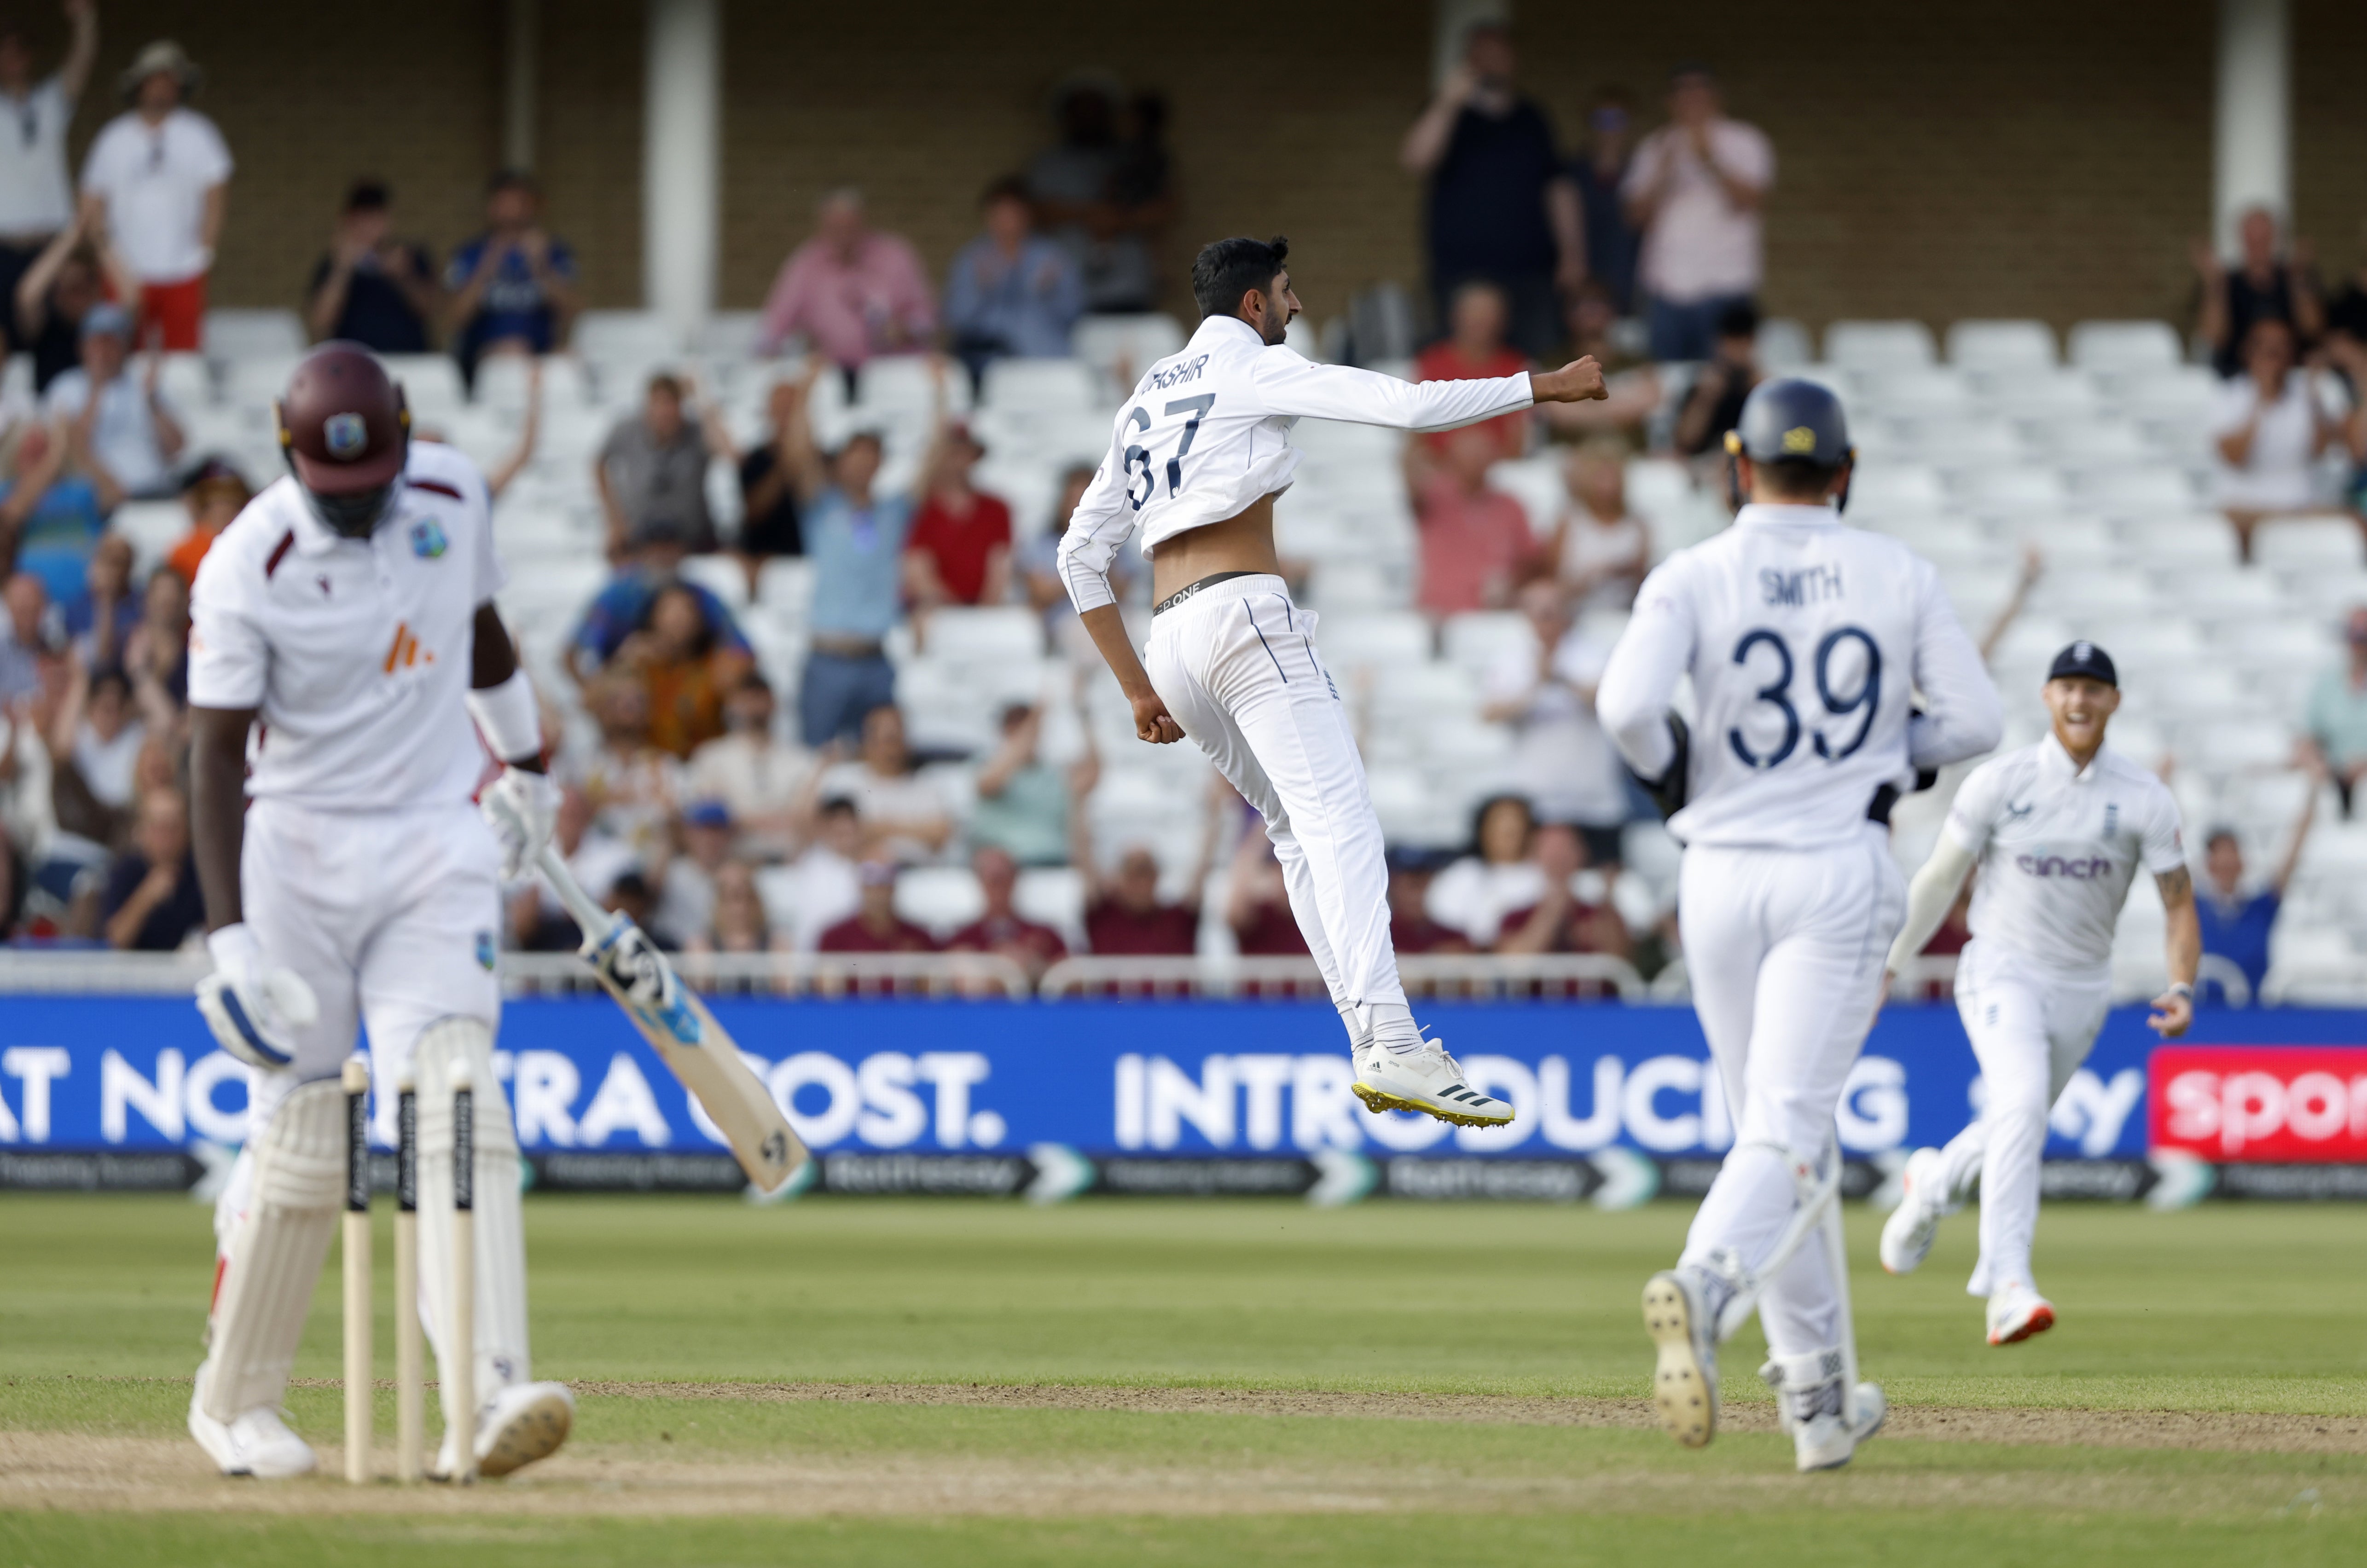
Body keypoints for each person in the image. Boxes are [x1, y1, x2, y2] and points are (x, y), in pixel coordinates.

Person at [1056, 232, 1607, 1124]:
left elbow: (1079, 556)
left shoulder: (1143, 399)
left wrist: (1136, 688)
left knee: (1292, 833)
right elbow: (1404, 405)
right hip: (1244, 615)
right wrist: (1540, 385)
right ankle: (1392, 1038)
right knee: (1341, 823)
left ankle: (1371, 1038)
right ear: (1252, 307)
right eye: (1286, 291)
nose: (1297, 305)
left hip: (1170, 640)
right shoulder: (1252, 368)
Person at [181, 343, 573, 1479]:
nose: (357, 513)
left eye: (373, 486)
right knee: (305, 1130)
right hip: (295, 851)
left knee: (457, 1089)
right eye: (332, 493)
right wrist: (231, 940)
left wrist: (528, 765)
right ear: (289, 456)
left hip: (433, 841)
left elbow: (483, 631)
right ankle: (236, 1401)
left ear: (404, 434)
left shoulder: (453, 492)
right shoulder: (244, 562)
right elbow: (211, 751)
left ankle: (487, 1392)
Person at [1596, 377, 2002, 1471]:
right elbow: (1973, 719)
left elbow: (1623, 708)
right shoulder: (1893, 570)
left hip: (1716, 871)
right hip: (1832, 864)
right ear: (1844, 469)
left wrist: (1677, 771)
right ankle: (1704, 1280)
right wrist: (1884, 752)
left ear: (1738, 466)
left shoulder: (1692, 571)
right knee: (1784, 1129)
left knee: (1779, 1135)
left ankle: (1818, 1405)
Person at [1880, 642, 2196, 1347]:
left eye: (2093, 688)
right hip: (2000, 968)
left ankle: (1929, 1187)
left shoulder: (2142, 795)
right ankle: (2007, 1286)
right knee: (2021, 1106)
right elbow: (1937, 878)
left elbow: (2178, 903)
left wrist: (2181, 985)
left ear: (2113, 700)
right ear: (2047, 697)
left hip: (2082, 985)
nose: (2079, 700)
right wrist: (1889, 963)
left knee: (2009, 1124)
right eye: (2066, 687)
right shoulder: (2002, 780)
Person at [772, 361, 945, 747]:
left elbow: (932, 461)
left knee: (878, 755)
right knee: (816, 753)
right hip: (828, 656)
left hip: (875, 658)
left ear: (881, 462)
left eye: (872, 454)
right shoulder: (821, 506)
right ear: (842, 460)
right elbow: (798, 454)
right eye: (856, 453)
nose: (864, 462)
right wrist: (806, 394)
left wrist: (940, 395)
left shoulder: (893, 512)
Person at [1399, 21, 1581, 360]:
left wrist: (1572, 254)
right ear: (1468, 60)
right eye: (1481, 53)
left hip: (1531, 270)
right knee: (1463, 366)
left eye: (1499, 52)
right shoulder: (1448, 113)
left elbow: (1558, 189)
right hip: (1461, 268)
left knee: (1537, 363)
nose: (1491, 61)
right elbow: (1415, 159)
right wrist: (1448, 101)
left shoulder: (1533, 118)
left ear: (1513, 58)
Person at [76, 39, 228, 352]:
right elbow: (90, 206)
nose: (161, 88)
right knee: (123, 356)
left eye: (170, 80)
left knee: (183, 362)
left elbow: (216, 199)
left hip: (184, 270)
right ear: (139, 85)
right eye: (154, 79)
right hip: (125, 273)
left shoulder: (200, 134)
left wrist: (204, 255)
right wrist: (110, 261)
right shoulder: (113, 138)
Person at [1622, 65, 1775, 364]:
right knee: (1666, 384)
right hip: (1665, 289)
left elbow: (1751, 201)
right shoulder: (1655, 146)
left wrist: (1709, 158)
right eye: (1682, 91)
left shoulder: (1745, 140)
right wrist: (1664, 171)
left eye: (1698, 90)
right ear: (1670, 102)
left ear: (1716, 97)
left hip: (1725, 285)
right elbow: (1635, 217)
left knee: (1722, 381)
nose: (1691, 99)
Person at [1482, 581, 1630, 856]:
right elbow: (1489, 713)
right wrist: (1536, 687)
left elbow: (1611, 700)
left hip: (1594, 800)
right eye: (1537, 613)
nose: (1544, 621)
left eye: (1550, 612)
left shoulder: (1594, 653)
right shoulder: (1512, 659)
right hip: (1535, 799)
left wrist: (1559, 678)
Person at [1026, 78, 1165, 317]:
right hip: (1069, 289)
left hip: (1128, 287)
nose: (1088, 117)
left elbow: (1163, 209)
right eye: (1080, 110)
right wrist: (1089, 214)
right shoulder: (1048, 163)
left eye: (1095, 110)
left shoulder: (1133, 159)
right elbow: (1034, 212)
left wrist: (1119, 220)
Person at [754, 188, 933, 369]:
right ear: (822, 225)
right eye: (835, 228)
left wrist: (906, 330)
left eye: (850, 227)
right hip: (830, 374)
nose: (843, 237)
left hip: (892, 371)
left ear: (863, 222)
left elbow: (927, 321)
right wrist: (766, 353)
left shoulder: (896, 256)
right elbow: (775, 325)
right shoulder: (806, 263)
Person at [2211, 317, 2344, 560]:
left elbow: (2320, 451)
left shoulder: (2307, 393)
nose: (2274, 354)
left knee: (2356, 524)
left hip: (2298, 506)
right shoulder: (2228, 396)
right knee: (2236, 533)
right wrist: (2261, 402)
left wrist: (2314, 396)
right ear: (2248, 352)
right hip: (2248, 508)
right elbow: (2235, 458)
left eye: (2282, 345)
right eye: (2265, 346)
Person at [0, 0, 97, 319]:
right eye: (5, 50)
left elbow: (81, 62)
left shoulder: (50, 102)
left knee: (57, 338)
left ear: (30, 56)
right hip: (4, 246)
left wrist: (85, 18)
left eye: (19, 50)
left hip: (53, 245)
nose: (13, 58)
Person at [943, 174, 1083, 386]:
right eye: (999, 214)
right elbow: (957, 319)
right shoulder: (972, 259)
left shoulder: (1052, 257)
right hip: (987, 366)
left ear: (1027, 216)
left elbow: (1074, 313)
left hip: (1045, 360)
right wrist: (982, 290)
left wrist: (1049, 292)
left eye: (1013, 214)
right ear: (987, 217)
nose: (1007, 222)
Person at [443, 170, 579, 382]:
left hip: (541, 356)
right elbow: (454, 317)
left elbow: (573, 311)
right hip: (482, 361)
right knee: (512, 352)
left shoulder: (552, 251)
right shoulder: (470, 254)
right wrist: (488, 265)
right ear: (491, 207)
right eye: (504, 203)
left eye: (519, 203)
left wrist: (541, 267)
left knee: (572, 359)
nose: (512, 211)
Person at [43, 299, 184, 502]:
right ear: (83, 347)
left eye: (111, 343)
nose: (104, 351)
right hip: (94, 500)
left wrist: (153, 402)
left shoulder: (144, 385)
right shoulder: (65, 388)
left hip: (152, 493)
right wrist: (97, 389)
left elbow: (176, 449)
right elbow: (68, 452)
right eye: (98, 343)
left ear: (125, 347)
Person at [2194, 779, 2316, 1006]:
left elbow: (2292, 857)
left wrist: (2314, 788)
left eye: (2233, 853)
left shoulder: (2261, 907)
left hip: (2254, 1014)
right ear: (2209, 864)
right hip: (2204, 1015)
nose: (2227, 861)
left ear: (2243, 862)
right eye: (2220, 854)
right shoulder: (2194, 908)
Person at [595, 372, 733, 559]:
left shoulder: (698, 431)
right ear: (647, 406)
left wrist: (701, 399)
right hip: (640, 539)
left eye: (671, 403)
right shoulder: (628, 430)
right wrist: (615, 520)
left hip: (694, 539)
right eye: (658, 403)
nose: (664, 412)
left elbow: (729, 453)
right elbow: (599, 462)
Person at [1405, 422, 1537, 617]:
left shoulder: (1511, 506)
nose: (1476, 458)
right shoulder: (1433, 496)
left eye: (1483, 450)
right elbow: (1410, 468)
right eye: (1469, 451)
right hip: (1439, 617)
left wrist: (1511, 585)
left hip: (1493, 617)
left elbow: (1531, 561)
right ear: (1451, 454)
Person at [607, 580, 748, 761]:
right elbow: (598, 706)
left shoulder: (715, 664)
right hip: (650, 765)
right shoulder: (640, 664)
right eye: (670, 610)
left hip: (704, 765)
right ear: (653, 618)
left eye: (687, 610)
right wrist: (623, 661)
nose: (679, 618)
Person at [684, 672, 810, 861]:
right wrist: (775, 821)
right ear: (733, 706)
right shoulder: (711, 757)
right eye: (747, 699)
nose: (755, 706)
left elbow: (807, 819)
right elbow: (708, 817)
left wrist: (744, 820)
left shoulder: (801, 760)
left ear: (774, 703)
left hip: (790, 864)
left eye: (760, 698)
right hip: (730, 865)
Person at [305, 179, 438, 353]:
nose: (369, 227)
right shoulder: (333, 263)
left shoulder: (410, 257)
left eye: (375, 218)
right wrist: (342, 269)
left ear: (388, 220)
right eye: (362, 218)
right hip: (354, 361)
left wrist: (404, 277)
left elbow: (432, 311)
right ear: (349, 221)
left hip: (408, 360)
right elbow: (320, 323)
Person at [2194, 207, 2323, 379]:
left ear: (2275, 238)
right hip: (2236, 377)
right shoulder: (2227, 282)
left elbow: (2313, 329)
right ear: (2242, 239)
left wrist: (2299, 278)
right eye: (2252, 238)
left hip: (2290, 379)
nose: (2258, 244)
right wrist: (2215, 284)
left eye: (2264, 237)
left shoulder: (2294, 277)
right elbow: (2213, 336)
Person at [816, 703, 951, 864]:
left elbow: (941, 834)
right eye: (885, 739)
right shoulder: (845, 780)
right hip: (855, 872)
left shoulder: (927, 784)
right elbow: (830, 831)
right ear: (867, 741)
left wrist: (880, 828)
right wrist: (914, 829)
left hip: (914, 875)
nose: (890, 749)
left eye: (896, 738)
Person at [902, 420, 1013, 615]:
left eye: (963, 453)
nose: (956, 461)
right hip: (936, 610)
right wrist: (954, 612)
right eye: (951, 454)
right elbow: (919, 569)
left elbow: (999, 567)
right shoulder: (920, 509)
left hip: (979, 610)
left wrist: (982, 614)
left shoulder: (996, 508)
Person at [1413, 280, 1531, 463]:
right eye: (1474, 312)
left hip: (1497, 472)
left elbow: (1520, 439)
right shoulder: (1430, 363)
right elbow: (1416, 438)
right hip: (1441, 471)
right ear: (1455, 316)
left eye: (1489, 314)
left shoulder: (1516, 368)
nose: (1481, 320)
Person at [971, 702, 1091, 867]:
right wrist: (1037, 717)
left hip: (1056, 864)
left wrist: (1082, 711)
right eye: (1021, 728)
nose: (1028, 734)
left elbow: (1093, 772)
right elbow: (989, 785)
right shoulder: (985, 765)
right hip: (1005, 872)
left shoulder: (1054, 772)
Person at [13, 209, 119, 391]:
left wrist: (98, 241)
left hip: (107, 413)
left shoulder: (108, 323)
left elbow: (133, 297)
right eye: (68, 289)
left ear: (96, 290)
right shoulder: (46, 327)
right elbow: (27, 296)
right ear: (54, 292)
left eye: (82, 289)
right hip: (54, 414)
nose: (75, 297)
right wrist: (73, 234)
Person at [1492, 822, 1630, 960]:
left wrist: (1607, 902)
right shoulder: (1516, 918)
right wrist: (1552, 912)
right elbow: (1512, 964)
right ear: (1534, 855)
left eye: (1565, 847)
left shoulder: (1599, 914)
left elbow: (1620, 956)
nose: (1559, 857)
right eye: (1551, 849)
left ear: (1581, 853)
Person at [1543, 438, 1649, 613]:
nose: (1608, 485)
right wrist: (1590, 578)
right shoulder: (1569, 522)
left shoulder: (1638, 526)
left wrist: (1628, 572)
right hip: (1576, 614)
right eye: (1600, 476)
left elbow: (1645, 582)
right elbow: (1550, 580)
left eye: (1613, 475)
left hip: (1623, 614)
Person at [1426, 794, 1544, 948]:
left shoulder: (1544, 876)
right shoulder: (1461, 874)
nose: (1505, 832)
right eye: (1497, 824)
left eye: (1514, 825)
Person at [99, 780, 203, 950]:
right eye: (158, 828)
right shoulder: (126, 870)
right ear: (141, 831)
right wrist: (146, 896)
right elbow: (115, 941)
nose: (166, 838)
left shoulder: (202, 871)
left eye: (174, 827)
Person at [946, 844, 1067, 980]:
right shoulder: (963, 939)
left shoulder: (1045, 936)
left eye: (1003, 878)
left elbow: (1071, 977)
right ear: (980, 882)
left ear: (1015, 879)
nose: (999, 887)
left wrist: (1035, 967)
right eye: (993, 880)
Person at [1568, 88, 1642, 314]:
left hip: (1631, 286)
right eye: (1602, 120)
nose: (1609, 129)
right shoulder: (1571, 174)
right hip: (1580, 290)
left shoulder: (1642, 172)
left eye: (1618, 120)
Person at [1672, 301, 1763, 460]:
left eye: (1744, 341)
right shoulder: (1704, 387)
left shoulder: (1761, 389)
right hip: (1705, 468)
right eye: (1732, 340)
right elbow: (1685, 442)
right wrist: (1705, 399)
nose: (1737, 349)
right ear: (1719, 343)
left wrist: (1761, 393)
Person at [2302, 606, 2367, 818]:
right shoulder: (2327, 683)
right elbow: (2308, 737)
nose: (2360, 645)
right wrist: (2319, 763)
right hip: (2333, 780)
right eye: (2355, 636)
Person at [734, 378, 804, 566]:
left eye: (792, 408)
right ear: (769, 412)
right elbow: (752, 513)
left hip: (809, 560)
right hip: (765, 562)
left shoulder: (820, 460)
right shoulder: (753, 460)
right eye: (780, 408)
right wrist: (786, 464)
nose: (786, 414)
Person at [164, 455, 249, 586]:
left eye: (233, 499)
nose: (225, 507)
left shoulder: (250, 543)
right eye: (218, 500)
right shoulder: (183, 553)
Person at [816, 859, 934, 953]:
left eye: (883, 885)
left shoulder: (919, 936)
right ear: (861, 888)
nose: (878, 894)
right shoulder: (836, 937)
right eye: (872, 886)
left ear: (893, 888)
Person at [1385, 857, 1471, 955]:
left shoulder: (1453, 937)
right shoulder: (1380, 936)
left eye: (1423, 884)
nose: (1416, 895)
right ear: (1392, 889)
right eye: (1411, 886)